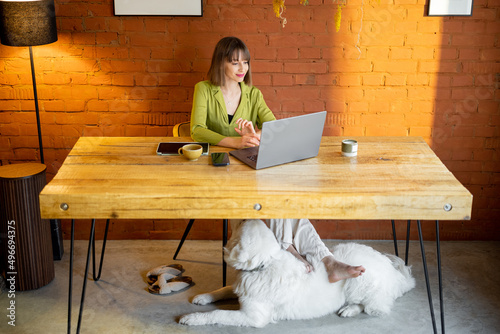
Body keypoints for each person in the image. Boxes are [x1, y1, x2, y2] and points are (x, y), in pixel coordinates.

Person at [190, 36, 365, 283]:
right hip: (221, 169)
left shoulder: (252, 94)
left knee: (282, 190)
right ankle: (306, 254)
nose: (242, 69)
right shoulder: (204, 89)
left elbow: (274, 125)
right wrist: (235, 141)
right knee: (284, 201)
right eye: (235, 62)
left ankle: (325, 260)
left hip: (248, 165)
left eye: (246, 63)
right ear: (221, 63)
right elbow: (196, 130)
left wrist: (255, 134)